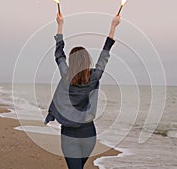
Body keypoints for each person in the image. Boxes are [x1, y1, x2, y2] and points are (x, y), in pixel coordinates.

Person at [45, 13, 121, 169]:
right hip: (89, 135)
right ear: (87, 60)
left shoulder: (66, 75)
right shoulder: (94, 77)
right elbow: (105, 54)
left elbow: (59, 54)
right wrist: (113, 26)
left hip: (69, 135)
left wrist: (60, 25)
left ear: (72, 62)